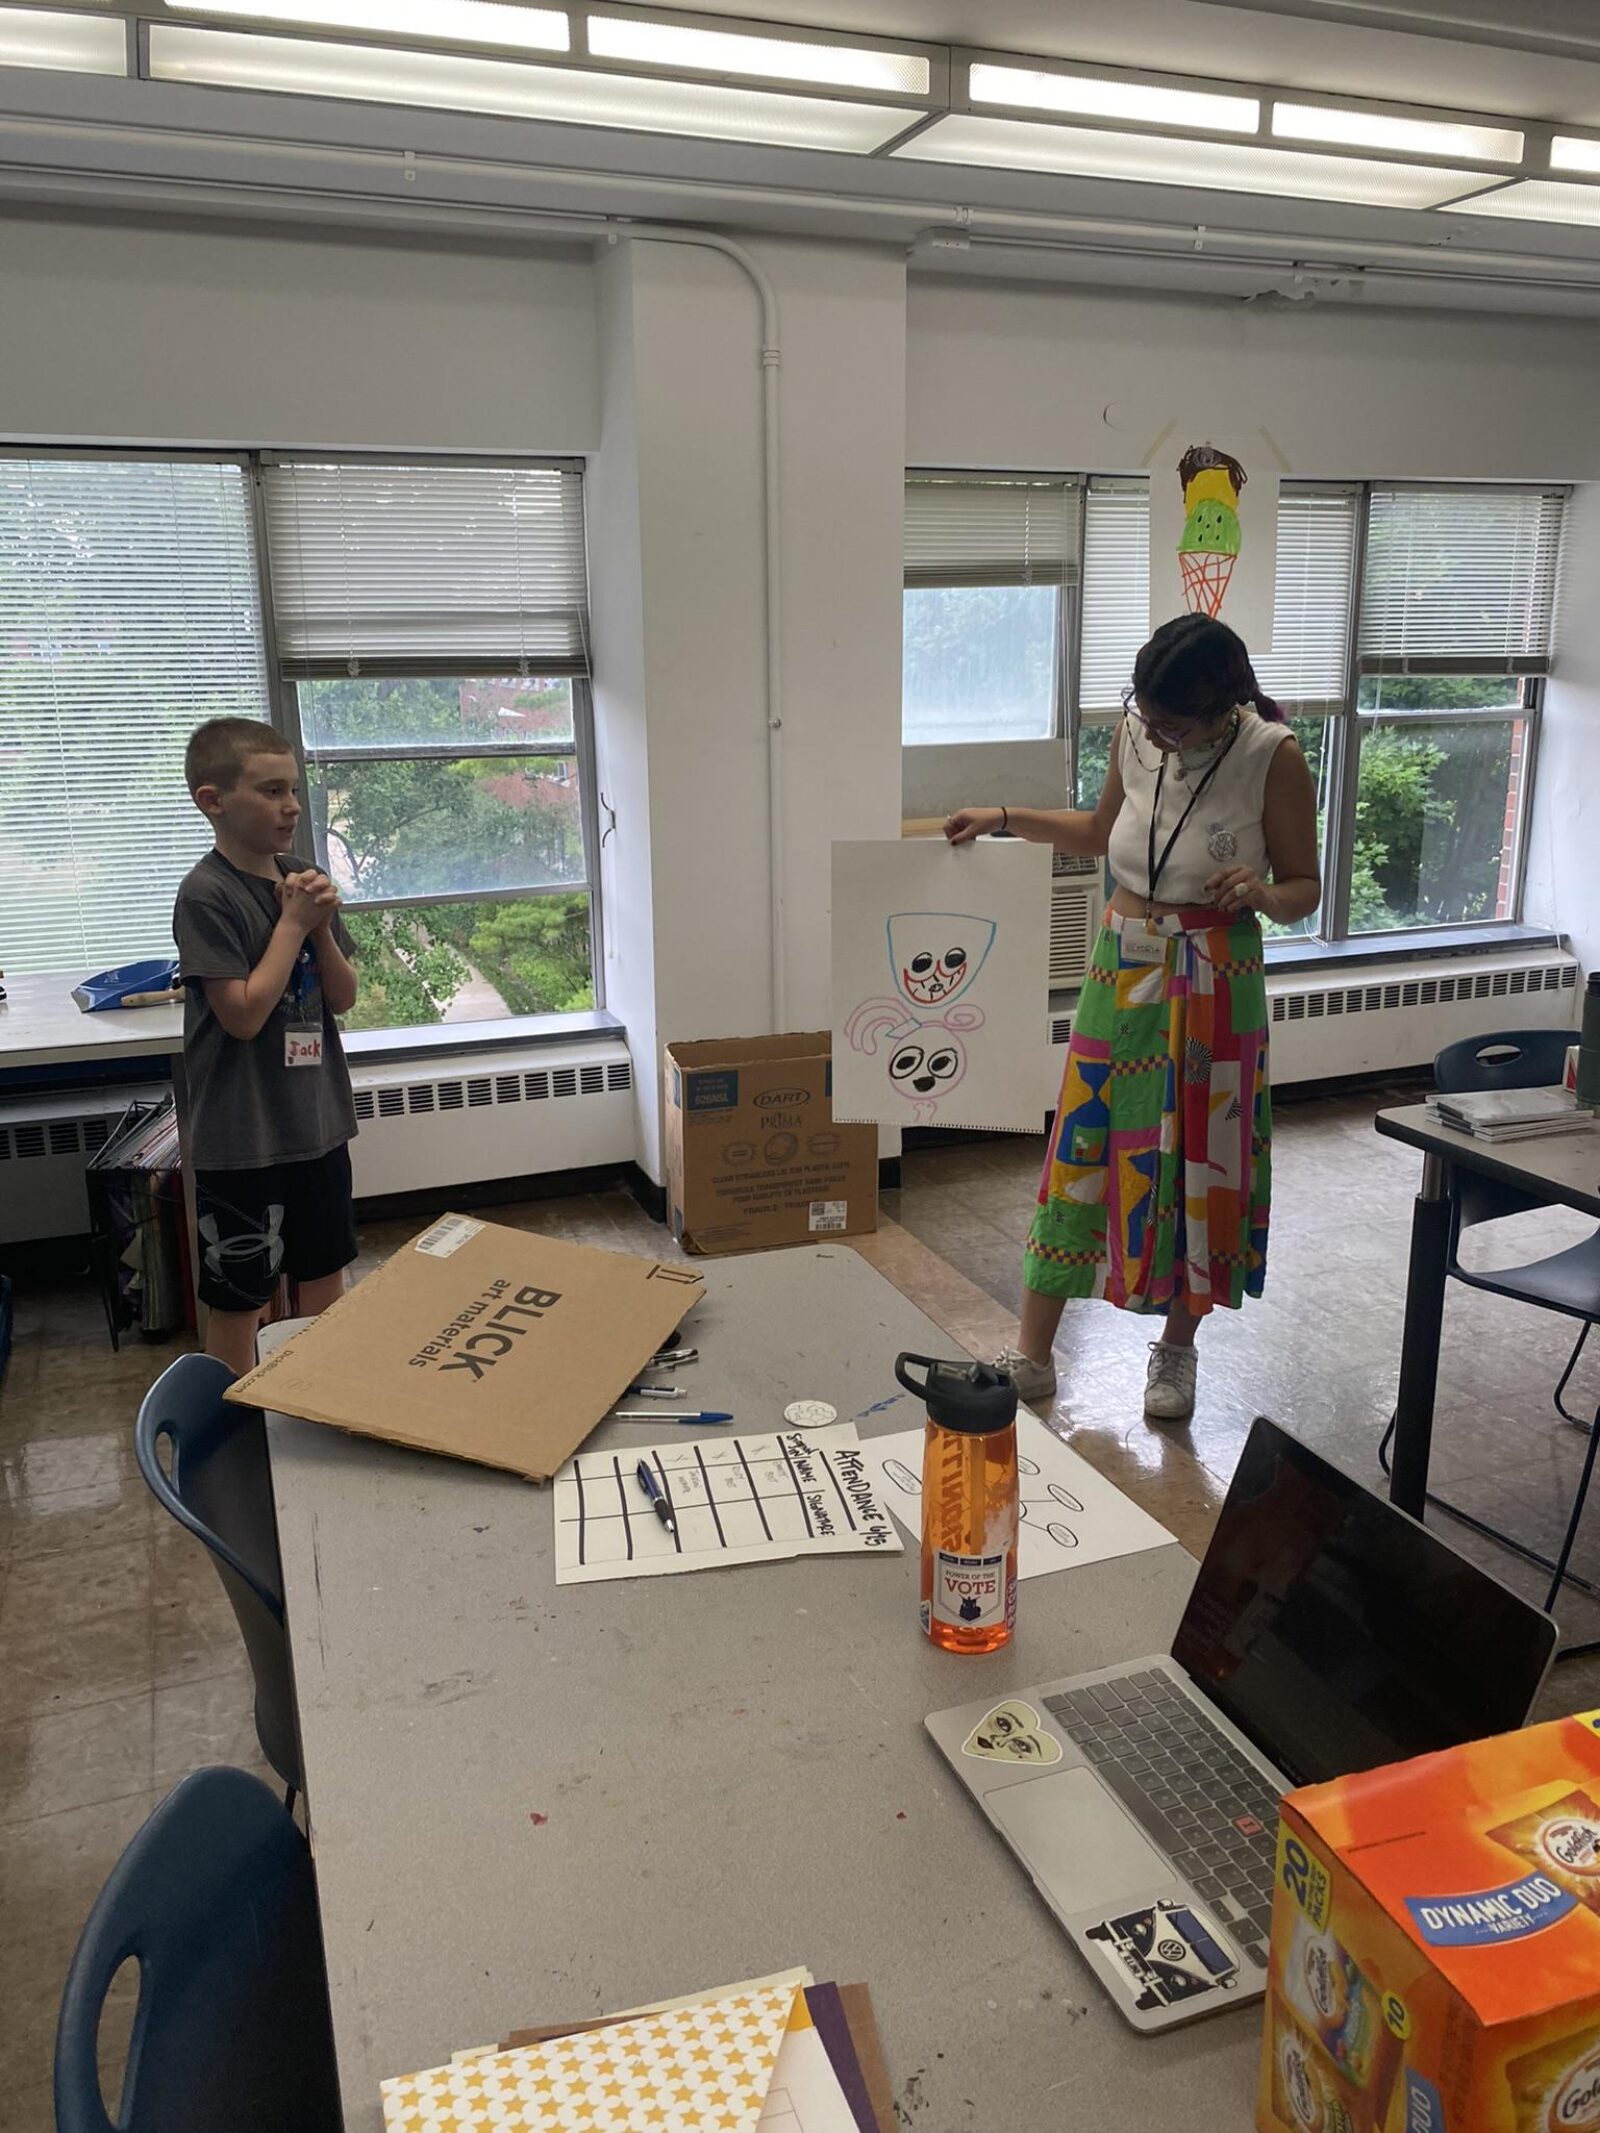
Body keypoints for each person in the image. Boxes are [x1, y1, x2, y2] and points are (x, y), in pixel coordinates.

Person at [945, 614, 1321, 1422]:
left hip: (1215, 977)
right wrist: (1002, 816)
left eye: (1173, 723)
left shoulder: (1272, 757)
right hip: (1121, 964)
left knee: (1202, 1162)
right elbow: (1093, 830)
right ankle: (1033, 1355)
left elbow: (1304, 886)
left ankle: (1177, 1353)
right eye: (1145, 714)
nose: (1156, 733)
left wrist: (1261, 892)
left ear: (1223, 704)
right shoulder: (1136, 733)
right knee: (1080, 1147)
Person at [173, 717, 360, 1375]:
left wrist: (321, 930)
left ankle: (318, 1394)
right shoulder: (207, 894)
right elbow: (244, 1015)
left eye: (294, 789)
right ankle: (228, 1430)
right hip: (244, 1139)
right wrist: (292, 923)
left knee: (324, 1276)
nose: (291, 806)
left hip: (316, 1124)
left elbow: (342, 996)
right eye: (271, 790)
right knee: (239, 1295)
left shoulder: (302, 877)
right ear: (213, 801)